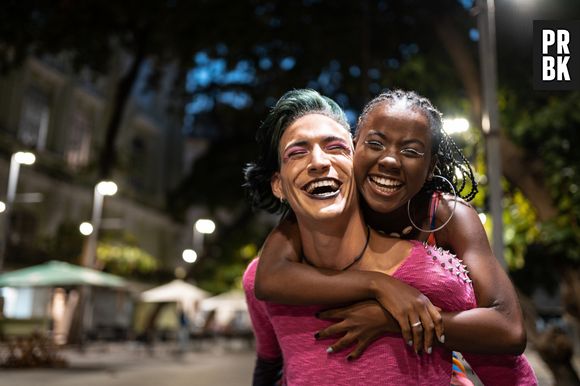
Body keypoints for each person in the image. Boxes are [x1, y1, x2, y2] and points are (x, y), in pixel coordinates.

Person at [252, 89, 537, 385]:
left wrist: (391, 320)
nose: (390, 160)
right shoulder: (330, 198)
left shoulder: (444, 216)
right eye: (375, 144)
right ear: (355, 147)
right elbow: (269, 277)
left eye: (411, 151)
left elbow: (508, 327)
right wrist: (381, 286)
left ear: (430, 168)